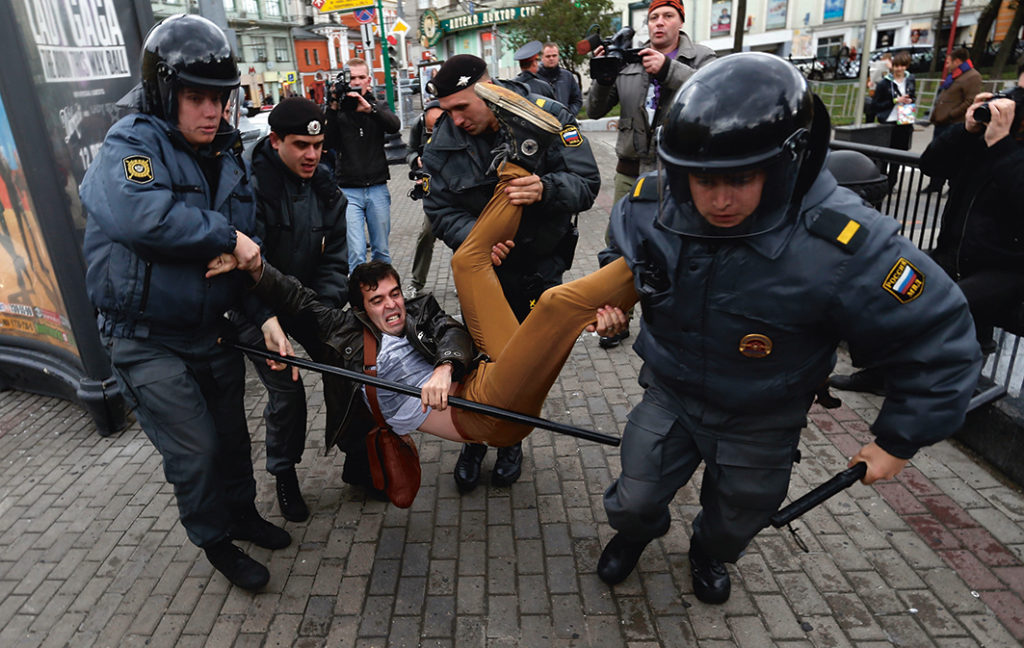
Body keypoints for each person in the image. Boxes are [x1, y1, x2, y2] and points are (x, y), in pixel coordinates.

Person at [592, 53, 981, 605]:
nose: (717, 200)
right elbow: (625, 254)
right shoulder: (651, 203)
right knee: (633, 498)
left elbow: (937, 335)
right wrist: (617, 303)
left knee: (737, 518)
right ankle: (634, 536)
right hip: (671, 390)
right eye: (701, 180)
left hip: (763, 414)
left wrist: (898, 438)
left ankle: (708, 552)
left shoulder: (847, 245)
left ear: (787, 161)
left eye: (739, 179)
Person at [208, 84, 632, 479]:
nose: (392, 306)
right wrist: (253, 266)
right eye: (377, 302)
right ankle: (646, 260)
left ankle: (523, 149)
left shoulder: (417, 312)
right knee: (558, 305)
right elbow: (296, 298)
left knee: (467, 260)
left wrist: (445, 367)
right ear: (359, 309)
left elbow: (452, 330)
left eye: (395, 294)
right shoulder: (346, 334)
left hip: (482, 378)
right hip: (489, 415)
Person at [80, 14, 294, 592]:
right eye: (195, 97)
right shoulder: (131, 143)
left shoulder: (227, 153)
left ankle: (242, 513)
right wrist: (227, 238)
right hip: (144, 336)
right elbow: (139, 215)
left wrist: (265, 316)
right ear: (164, 93)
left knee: (230, 437)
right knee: (195, 449)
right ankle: (216, 539)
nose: (211, 111)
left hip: (210, 328)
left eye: (219, 99)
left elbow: (250, 249)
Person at [422, 54, 601, 493]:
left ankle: (509, 441)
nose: (456, 119)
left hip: (541, 268)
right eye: (447, 110)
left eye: (463, 107)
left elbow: (588, 184)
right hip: (486, 272)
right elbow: (438, 208)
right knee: (477, 354)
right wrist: (477, 238)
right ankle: (473, 439)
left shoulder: (551, 116)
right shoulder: (440, 146)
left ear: (487, 87)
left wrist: (545, 189)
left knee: (524, 360)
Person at [832, 64, 1024, 393]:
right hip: (954, 255)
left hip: (1006, 268)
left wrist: (1003, 146)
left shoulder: (1004, 147)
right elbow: (931, 164)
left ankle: (933, 388)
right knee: (888, 286)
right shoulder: (985, 139)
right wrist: (967, 130)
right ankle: (881, 374)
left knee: (936, 307)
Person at [237, 97, 353, 520]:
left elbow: (335, 256)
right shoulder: (248, 190)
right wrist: (267, 320)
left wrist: (324, 310)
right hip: (254, 307)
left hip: (303, 297)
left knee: (348, 357)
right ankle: (284, 474)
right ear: (275, 141)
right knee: (287, 388)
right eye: (301, 145)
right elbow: (243, 270)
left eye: (318, 146)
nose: (312, 155)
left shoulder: (324, 186)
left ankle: (356, 451)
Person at [586, 0, 715, 348]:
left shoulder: (701, 59)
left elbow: (713, 95)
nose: (659, 23)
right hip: (630, 172)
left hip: (676, 176)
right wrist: (602, 74)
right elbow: (594, 108)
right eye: (654, 17)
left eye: (667, 16)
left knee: (677, 247)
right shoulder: (631, 60)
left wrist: (668, 70)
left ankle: (675, 324)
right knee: (620, 246)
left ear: (680, 21)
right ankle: (618, 318)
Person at [324, 58, 401, 272]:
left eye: (360, 77)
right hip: (348, 191)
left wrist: (371, 111)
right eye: (352, 78)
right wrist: (332, 105)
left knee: (381, 251)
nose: (356, 82)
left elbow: (395, 126)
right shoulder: (338, 110)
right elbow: (326, 142)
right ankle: (360, 301)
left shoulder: (376, 106)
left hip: (377, 188)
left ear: (368, 80)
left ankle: (386, 296)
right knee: (356, 252)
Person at [922, 47, 983, 193]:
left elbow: (970, 101)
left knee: (954, 155)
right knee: (938, 154)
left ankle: (952, 185)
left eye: (948, 62)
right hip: (942, 122)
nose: (946, 65)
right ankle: (935, 184)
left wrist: (951, 114)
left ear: (957, 61)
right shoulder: (955, 75)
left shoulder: (972, 76)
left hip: (953, 123)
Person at [405, 100, 445, 298]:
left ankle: (464, 280)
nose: (432, 133)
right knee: (427, 233)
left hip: (455, 191)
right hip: (431, 191)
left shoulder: (455, 128)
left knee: (463, 238)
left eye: (435, 128)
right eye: (429, 129)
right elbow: (410, 150)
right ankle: (416, 282)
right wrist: (415, 161)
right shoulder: (418, 125)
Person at [871, 50, 917, 151]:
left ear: (906, 66)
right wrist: (895, 100)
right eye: (897, 66)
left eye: (902, 66)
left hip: (905, 118)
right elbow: (875, 105)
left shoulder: (910, 79)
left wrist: (910, 100)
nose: (899, 69)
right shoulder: (884, 83)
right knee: (886, 151)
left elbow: (913, 96)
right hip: (888, 120)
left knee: (901, 150)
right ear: (892, 66)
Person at [538, 42, 582, 116]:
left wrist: (569, 115)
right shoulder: (535, 78)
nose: (551, 58)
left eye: (554, 55)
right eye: (548, 56)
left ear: (558, 56)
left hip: (565, 123)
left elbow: (577, 100)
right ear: (542, 58)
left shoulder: (567, 76)